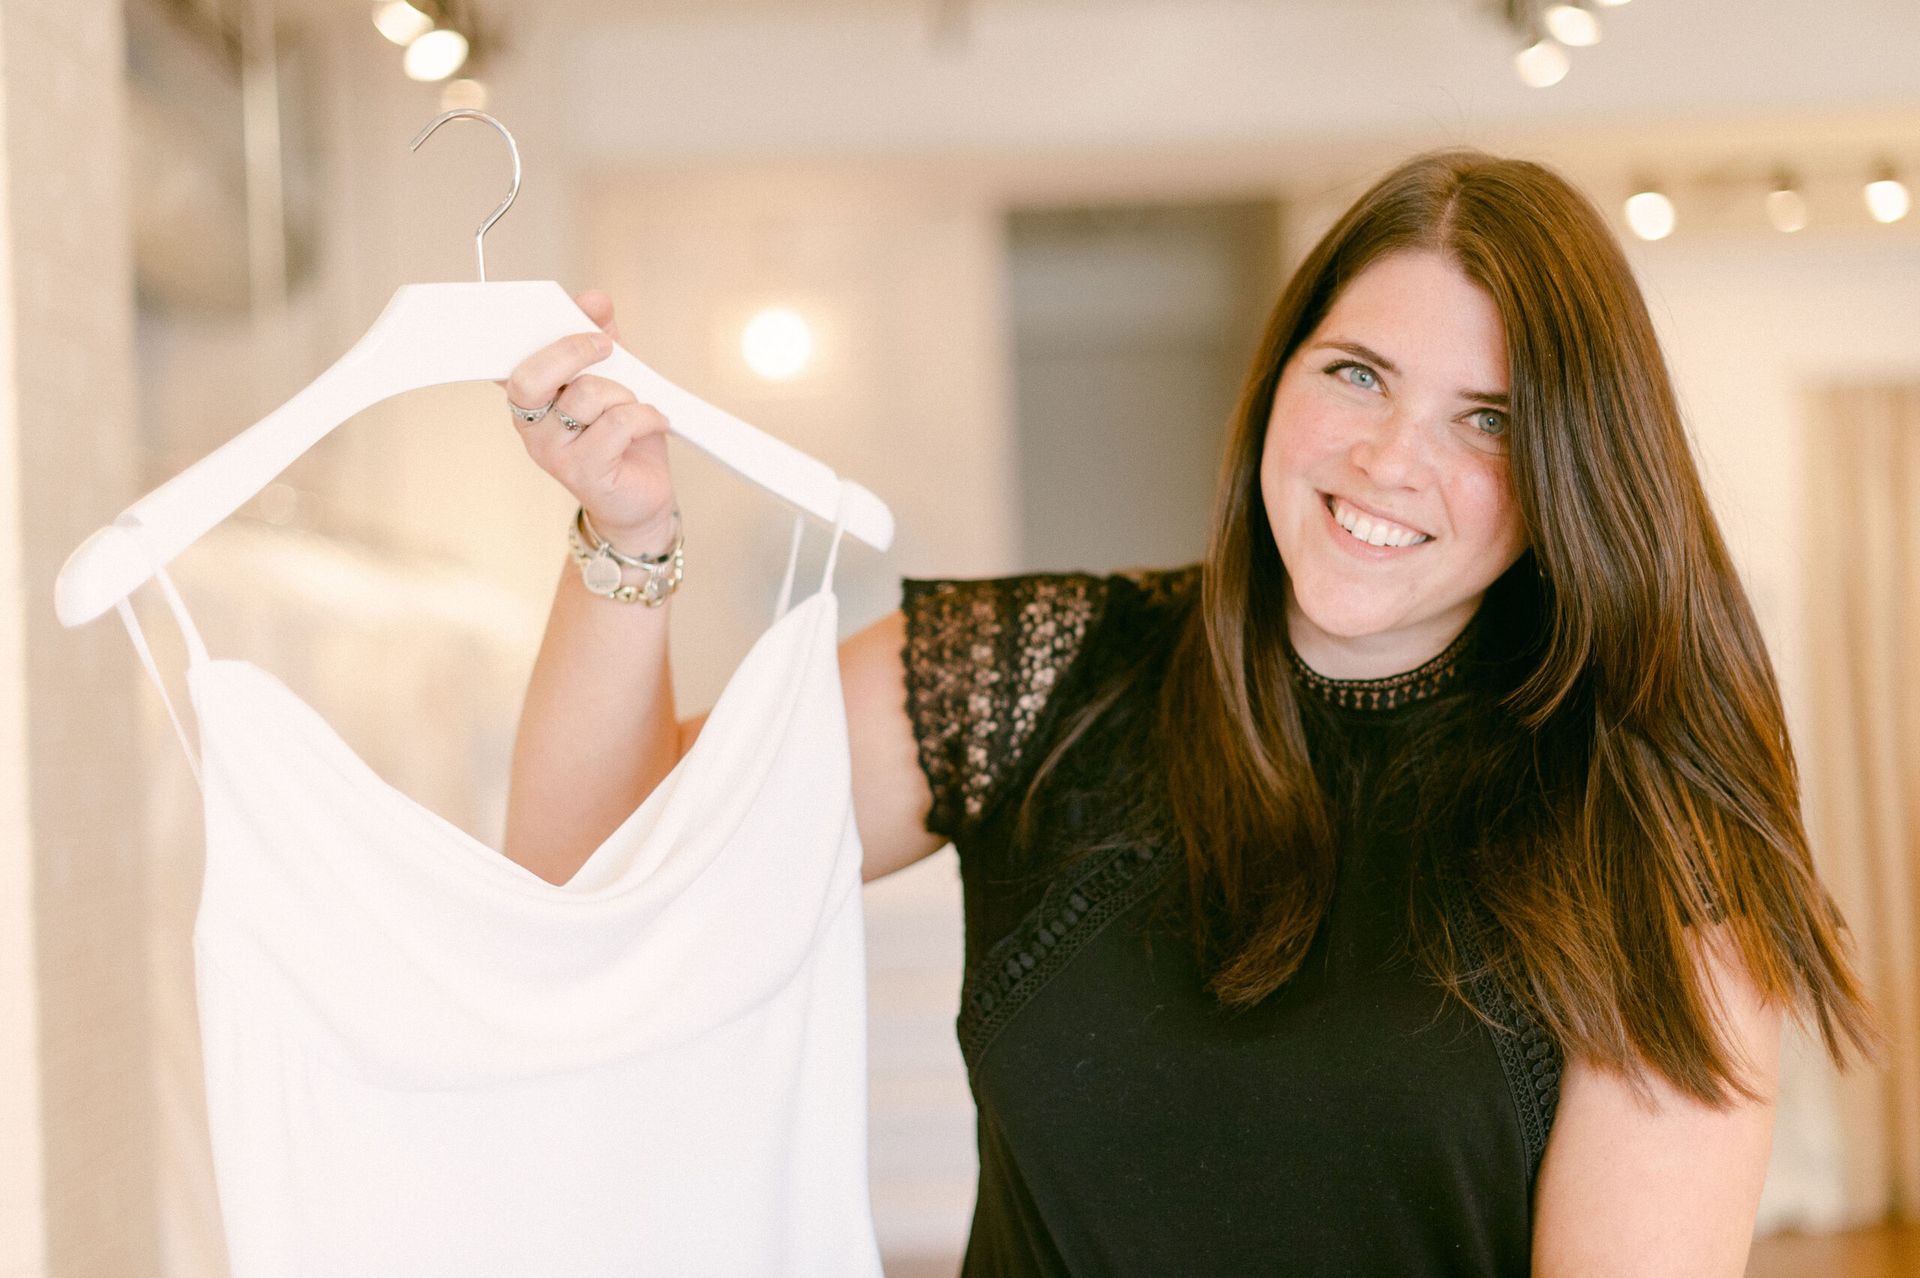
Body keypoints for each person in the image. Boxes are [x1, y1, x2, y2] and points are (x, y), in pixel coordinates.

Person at [494, 147, 1880, 1275]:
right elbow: (592, 877)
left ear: (1577, 470)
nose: (1391, 459)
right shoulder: (1034, 674)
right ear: (1281, 371)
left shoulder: (1651, 849)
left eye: (1490, 420)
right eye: (1358, 373)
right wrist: (627, 535)